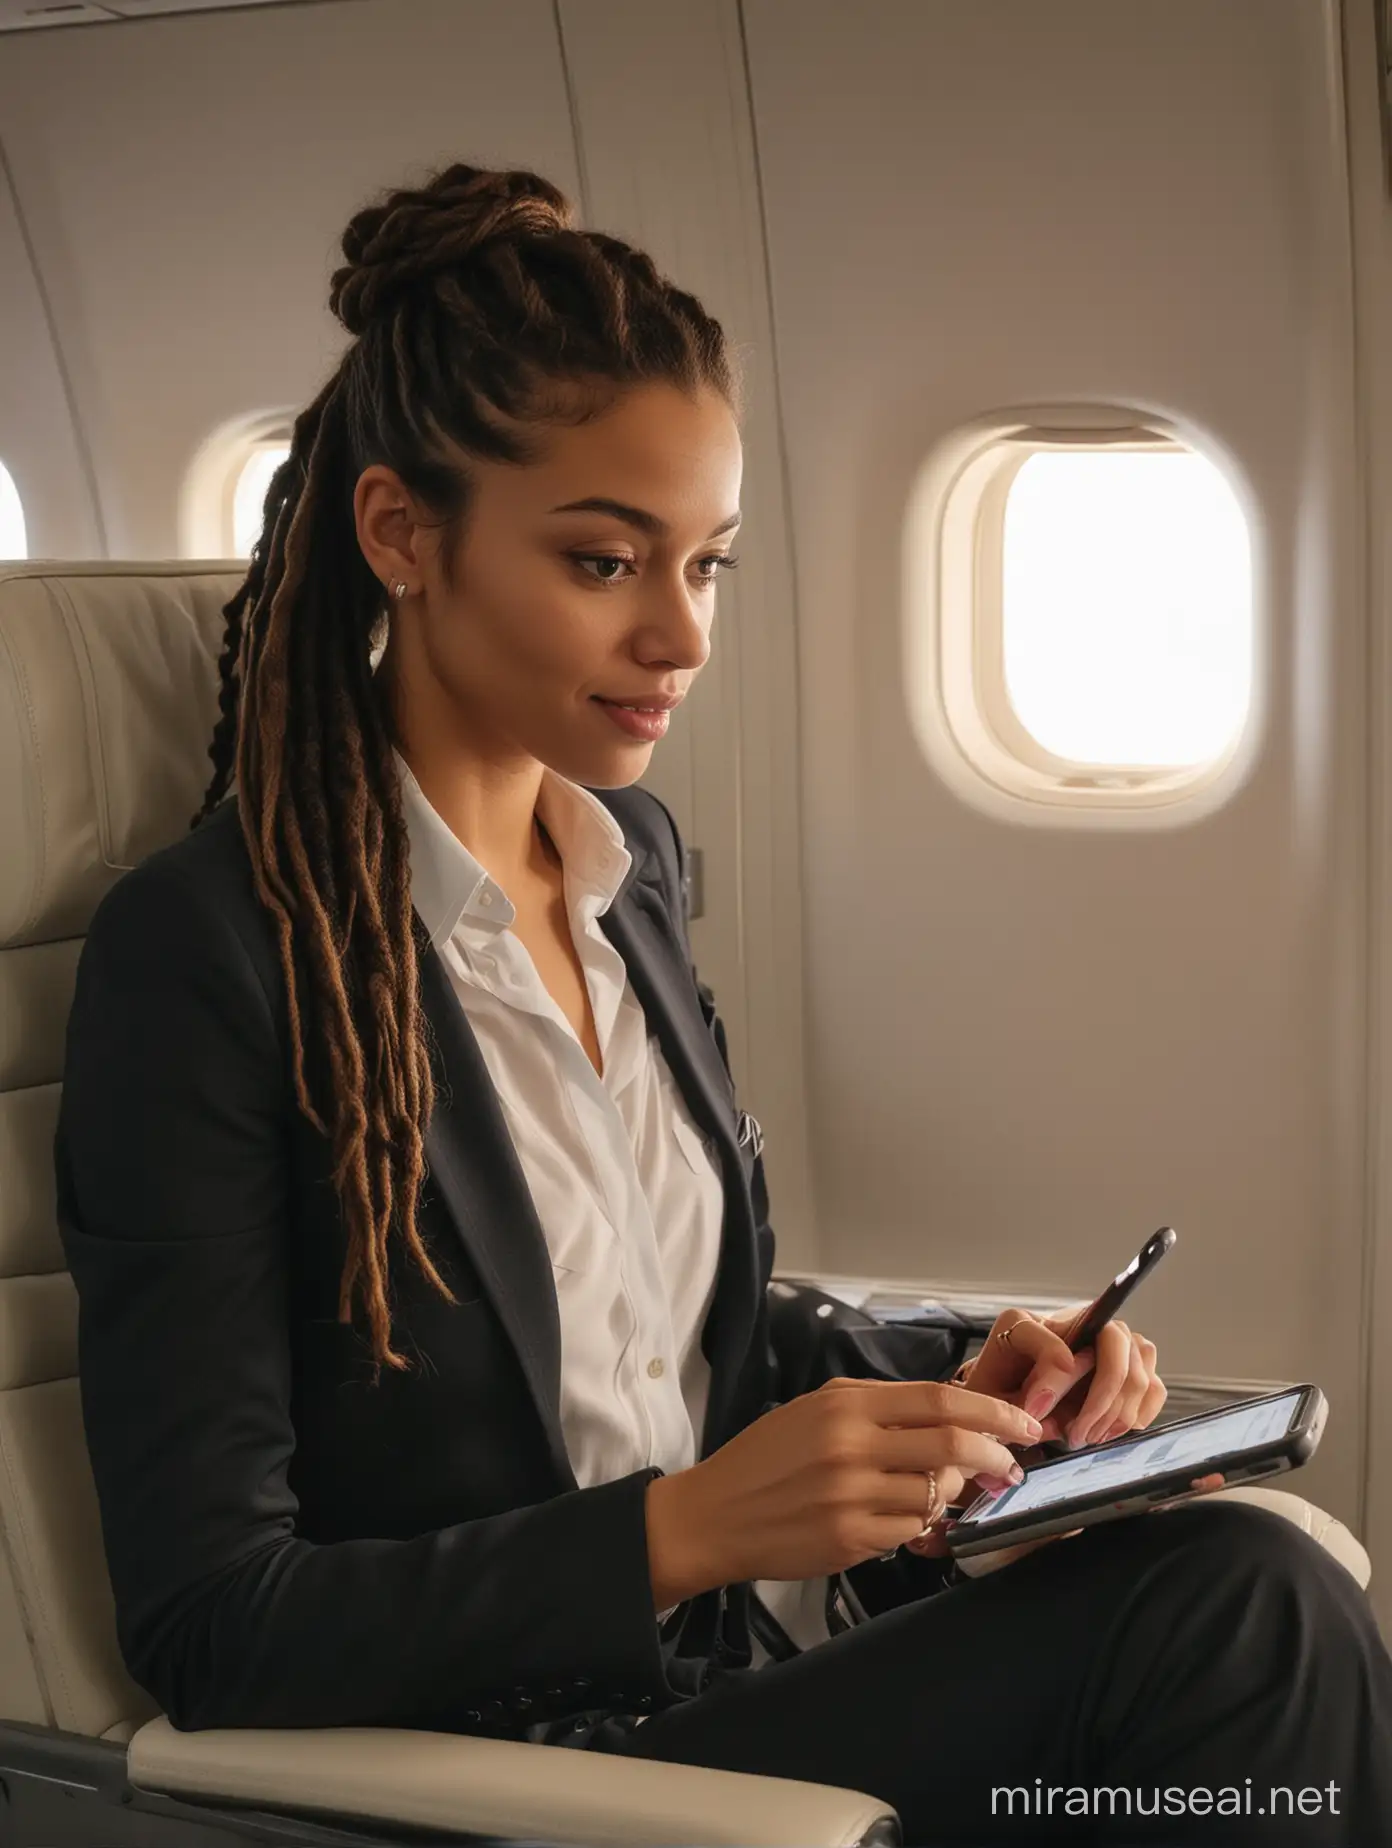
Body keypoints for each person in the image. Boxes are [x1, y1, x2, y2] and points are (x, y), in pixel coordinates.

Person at [56, 161, 1392, 1845]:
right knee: (1243, 1625)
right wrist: (678, 1534)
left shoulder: (632, 872)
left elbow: (664, 1327)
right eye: (607, 561)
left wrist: (951, 1380)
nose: (680, 634)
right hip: (510, 1757)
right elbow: (215, 1624)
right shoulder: (214, 959)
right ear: (401, 533)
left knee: (1226, 1601)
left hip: (729, 1685)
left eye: (712, 565)